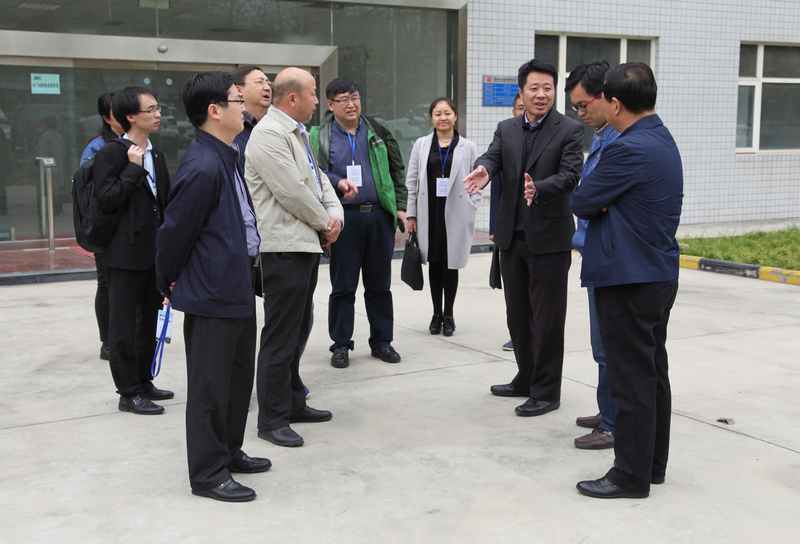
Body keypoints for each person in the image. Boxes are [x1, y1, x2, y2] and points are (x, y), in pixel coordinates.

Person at [156, 72, 271, 503]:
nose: (245, 108)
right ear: (214, 111)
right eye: (237, 100)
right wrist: (166, 280)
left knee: (237, 379)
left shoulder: (227, 155)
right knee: (210, 386)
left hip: (236, 284)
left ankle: (228, 451)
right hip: (211, 292)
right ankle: (207, 473)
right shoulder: (202, 166)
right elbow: (174, 233)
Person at [571, 63, 683, 499]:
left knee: (632, 380)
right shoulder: (661, 137)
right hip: (655, 274)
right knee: (652, 374)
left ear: (615, 104)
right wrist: (606, 204)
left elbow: (584, 199)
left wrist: (603, 204)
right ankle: (651, 465)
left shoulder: (627, 148)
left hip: (628, 279)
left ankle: (629, 475)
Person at [464, 59, 583, 417]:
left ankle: (546, 392)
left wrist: (540, 188)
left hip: (550, 239)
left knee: (547, 319)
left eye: (548, 88)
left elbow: (571, 175)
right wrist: (484, 169)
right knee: (517, 316)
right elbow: (493, 157)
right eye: (534, 88)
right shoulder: (507, 128)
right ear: (521, 92)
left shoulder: (569, 130)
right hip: (512, 237)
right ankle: (525, 377)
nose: (541, 94)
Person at [245, 67, 343, 448]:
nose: (318, 101)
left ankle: (292, 401)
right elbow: (292, 192)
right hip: (283, 249)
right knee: (280, 335)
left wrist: (335, 215)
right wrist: (325, 222)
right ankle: (271, 419)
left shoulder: (296, 133)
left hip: (304, 246)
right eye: (313, 93)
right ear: (292, 98)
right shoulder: (268, 135)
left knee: (299, 328)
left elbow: (318, 181)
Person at [310, 78, 407, 368]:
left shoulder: (377, 130)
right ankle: (341, 345)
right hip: (344, 218)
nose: (351, 104)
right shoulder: (320, 136)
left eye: (355, 98)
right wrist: (337, 181)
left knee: (380, 285)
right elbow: (314, 172)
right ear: (331, 105)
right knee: (343, 286)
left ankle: (382, 342)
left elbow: (396, 168)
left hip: (378, 216)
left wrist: (401, 207)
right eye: (343, 100)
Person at [93, 86, 173, 415]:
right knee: (124, 325)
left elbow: (164, 203)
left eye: (158, 108)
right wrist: (132, 169)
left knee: (148, 321)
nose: (158, 114)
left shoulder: (158, 154)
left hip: (152, 252)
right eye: (150, 110)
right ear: (130, 117)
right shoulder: (112, 154)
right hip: (123, 255)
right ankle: (128, 392)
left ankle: (143, 381)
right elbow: (106, 199)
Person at [565, 61, 620, 451]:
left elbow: (594, 199)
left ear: (607, 98)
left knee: (611, 347)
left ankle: (614, 423)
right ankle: (607, 411)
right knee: (601, 346)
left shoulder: (620, 142)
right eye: (576, 108)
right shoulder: (602, 137)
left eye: (584, 105)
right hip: (596, 254)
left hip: (612, 259)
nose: (580, 114)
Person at [406, 97, 480, 337]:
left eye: (447, 113)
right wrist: (411, 214)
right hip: (430, 211)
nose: (443, 118)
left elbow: (478, 180)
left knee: (451, 264)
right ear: (431, 118)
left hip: (456, 211)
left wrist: (473, 204)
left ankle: (449, 315)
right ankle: (436, 313)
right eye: (438, 113)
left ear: (455, 116)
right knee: (435, 263)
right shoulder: (421, 145)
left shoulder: (468, 147)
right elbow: (412, 181)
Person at [79, 92, 124, 362]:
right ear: (108, 118)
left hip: (131, 229)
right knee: (107, 284)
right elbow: (90, 192)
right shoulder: (96, 148)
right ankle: (108, 340)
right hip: (106, 229)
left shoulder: (138, 143)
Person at [490, 93, 524, 352]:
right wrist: (494, 226)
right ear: (513, 111)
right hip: (509, 226)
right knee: (514, 292)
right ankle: (518, 335)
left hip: (539, 228)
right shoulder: (506, 135)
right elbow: (497, 190)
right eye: (519, 107)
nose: (524, 111)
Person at [233, 65, 271, 173]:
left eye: (268, 83)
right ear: (238, 90)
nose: (267, 88)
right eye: (260, 82)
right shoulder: (232, 127)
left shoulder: (274, 125)